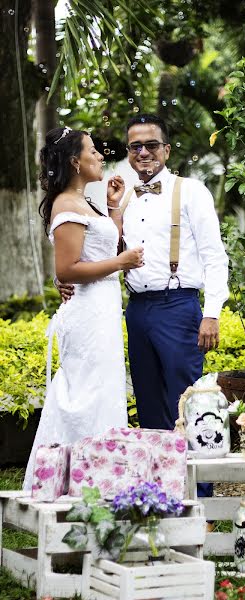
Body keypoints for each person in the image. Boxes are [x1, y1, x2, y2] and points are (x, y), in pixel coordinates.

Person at [58, 114, 230, 497]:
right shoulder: (115, 195)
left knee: (186, 402)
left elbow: (215, 256)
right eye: (135, 146)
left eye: (152, 144)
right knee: (149, 405)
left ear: (166, 150)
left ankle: (199, 496)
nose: (143, 152)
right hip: (136, 310)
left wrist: (212, 312)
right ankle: (160, 495)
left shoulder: (191, 191)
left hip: (179, 305)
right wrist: (63, 277)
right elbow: (96, 249)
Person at [23, 126, 143, 491]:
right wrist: (121, 263)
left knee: (103, 392)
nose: (100, 156)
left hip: (102, 313)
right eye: (92, 151)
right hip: (88, 316)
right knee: (85, 396)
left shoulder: (84, 203)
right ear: (75, 161)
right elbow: (67, 269)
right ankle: (70, 483)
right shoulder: (65, 204)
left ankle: (99, 481)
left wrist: (110, 210)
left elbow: (99, 250)